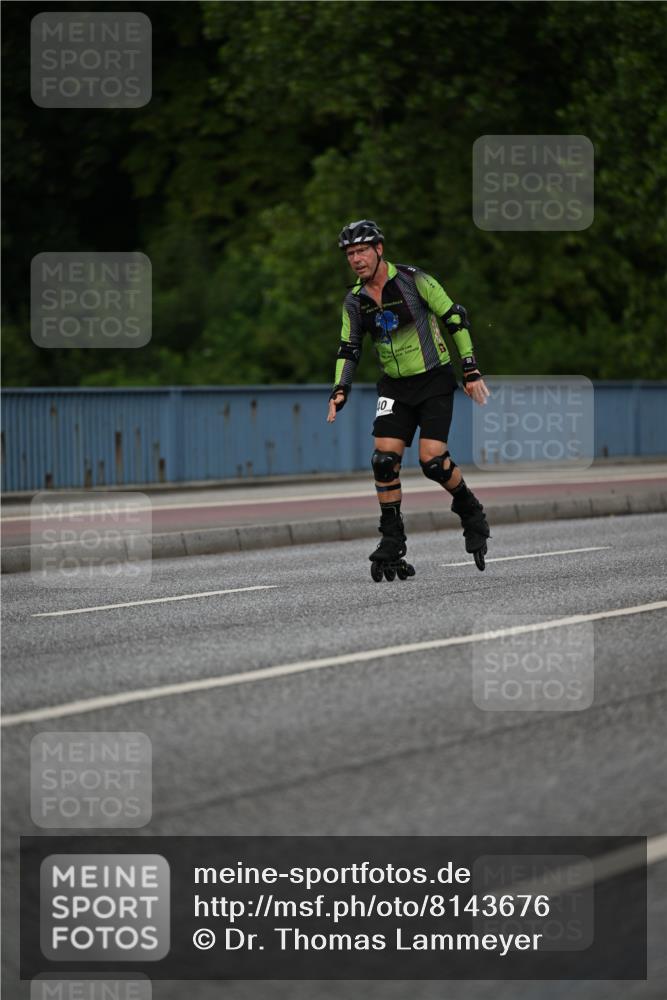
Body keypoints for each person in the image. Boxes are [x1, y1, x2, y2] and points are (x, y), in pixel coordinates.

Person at [326, 219, 491, 580]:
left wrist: (470, 369)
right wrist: (341, 389)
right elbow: (348, 348)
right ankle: (392, 538)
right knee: (383, 460)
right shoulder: (355, 301)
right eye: (350, 254)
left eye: (362, 251)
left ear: (379, 250)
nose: (356, 259)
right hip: (395, 387)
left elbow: (455, 318)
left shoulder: (415, 281)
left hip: (433, 377)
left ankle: (469, 508)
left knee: (432, 461)